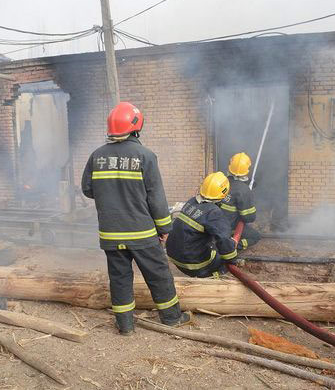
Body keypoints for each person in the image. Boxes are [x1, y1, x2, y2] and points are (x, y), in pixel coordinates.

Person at [82, 102, 189, 335]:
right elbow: (156, 198)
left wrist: (110, 193)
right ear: (136, 126)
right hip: (141, 233)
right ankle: (172, 318)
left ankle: (125, 326)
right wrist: (164, 227)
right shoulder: (146, 156)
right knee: (158, 275)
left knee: (119, 279)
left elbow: (87, 190)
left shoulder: (97, 156)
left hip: (110, 233)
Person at [165, 172, 239, 278]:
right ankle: (212, 277)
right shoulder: (214, 212)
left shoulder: (192, 201)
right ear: (224, 192)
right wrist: (232, 260)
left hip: (173, 255)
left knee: (212, 243)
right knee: (222, 258)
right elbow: (224, 240)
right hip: (193, 264)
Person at [220, 152, 260, 249]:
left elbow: (236, 184)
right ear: (247, 170)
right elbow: (249, 217)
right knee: (255, 236)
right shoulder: (243, 190)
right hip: (231, 227)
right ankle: (235, 247)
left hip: (217, 223)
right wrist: (247, 192)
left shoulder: (222, 181)